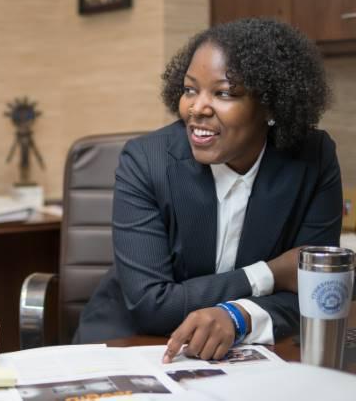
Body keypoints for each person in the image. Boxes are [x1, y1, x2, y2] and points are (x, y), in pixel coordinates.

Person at [74, 18, 342, 363]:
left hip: (241, 355)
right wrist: (270, 273)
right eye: (190, 89)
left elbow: (318, 289)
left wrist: (238, 316)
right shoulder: (146, 161)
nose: (197, 108)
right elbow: (152, 305)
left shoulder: (312, 160)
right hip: (130, 343)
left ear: (271, 105)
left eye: (224, 93)